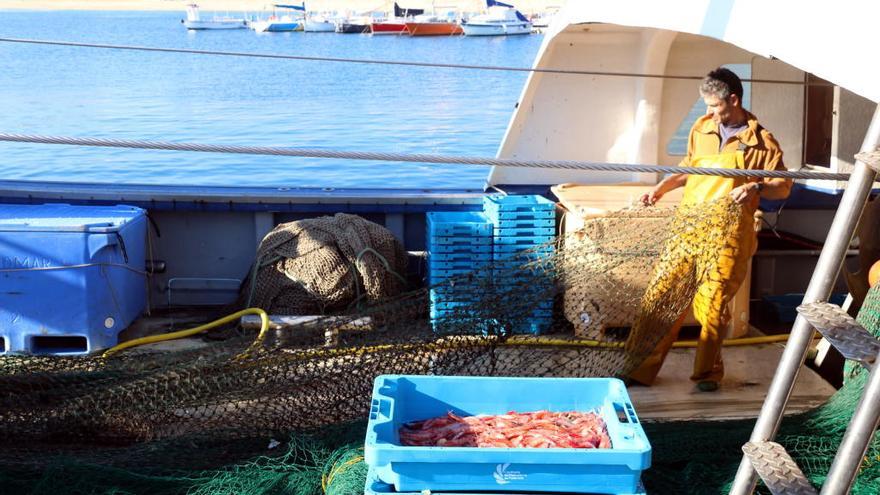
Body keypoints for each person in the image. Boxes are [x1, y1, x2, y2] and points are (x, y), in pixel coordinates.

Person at [625, 67, 792, 391]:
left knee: (712, 306)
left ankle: (706, 374)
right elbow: (688, 169)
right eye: (706, 105)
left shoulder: (762, 141)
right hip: (688, 229)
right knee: (660, 296)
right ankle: (638, 369)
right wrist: (662, 188)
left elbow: (781, 187)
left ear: (733, 99)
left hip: (729, 238)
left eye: (714, 106)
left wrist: (756, 187)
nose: (709, 112)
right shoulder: (701, 128)